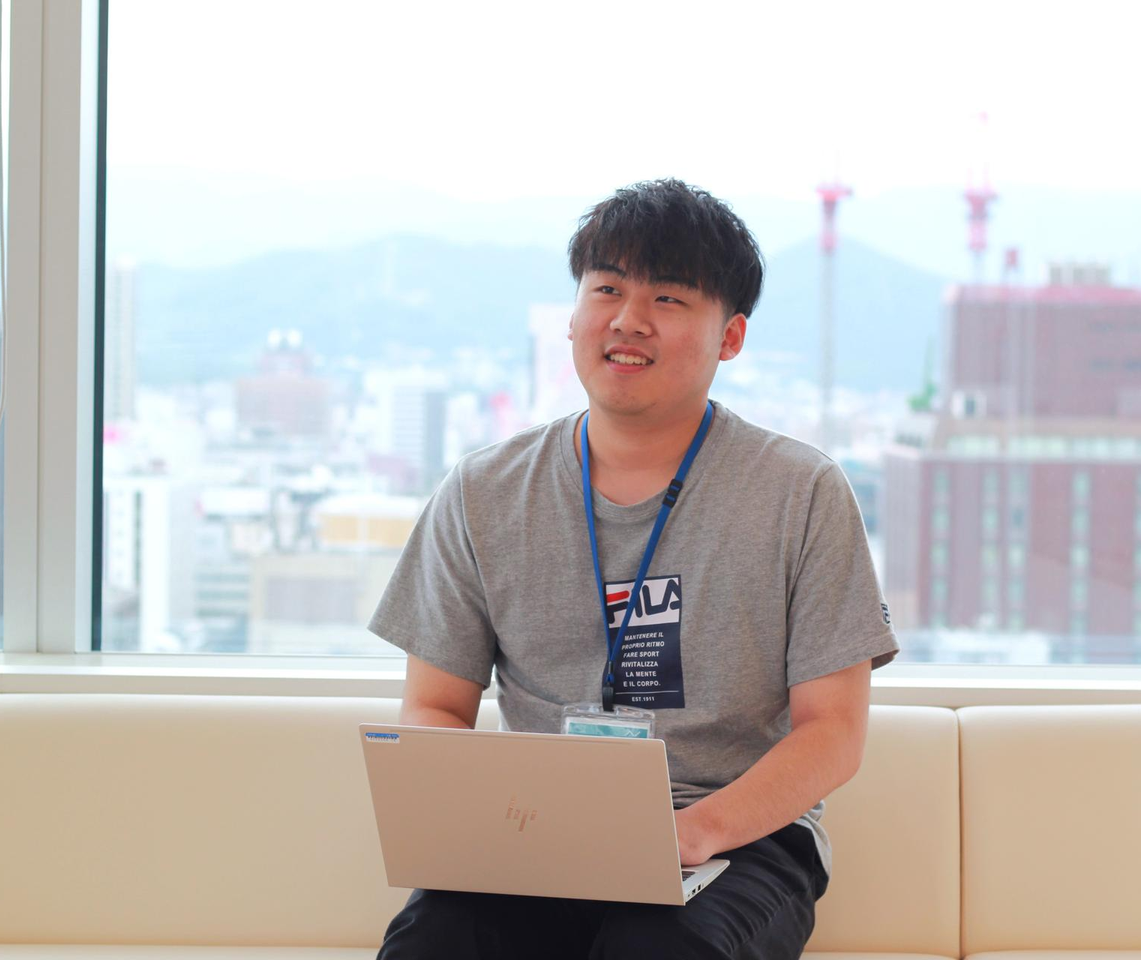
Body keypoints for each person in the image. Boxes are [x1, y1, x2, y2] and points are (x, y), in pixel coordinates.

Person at [369, 177, 899, 959]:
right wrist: (489, 823)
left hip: (736, 840)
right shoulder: (484, 490)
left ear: (730, 337)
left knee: (654, 950)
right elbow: (434, 707)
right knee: (430, 945)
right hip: (537, 840)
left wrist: (692, 832)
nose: (627, 320)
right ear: (574, 314)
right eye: (607, 289)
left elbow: (834, 732)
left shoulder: (801, 492)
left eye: (669, 299)